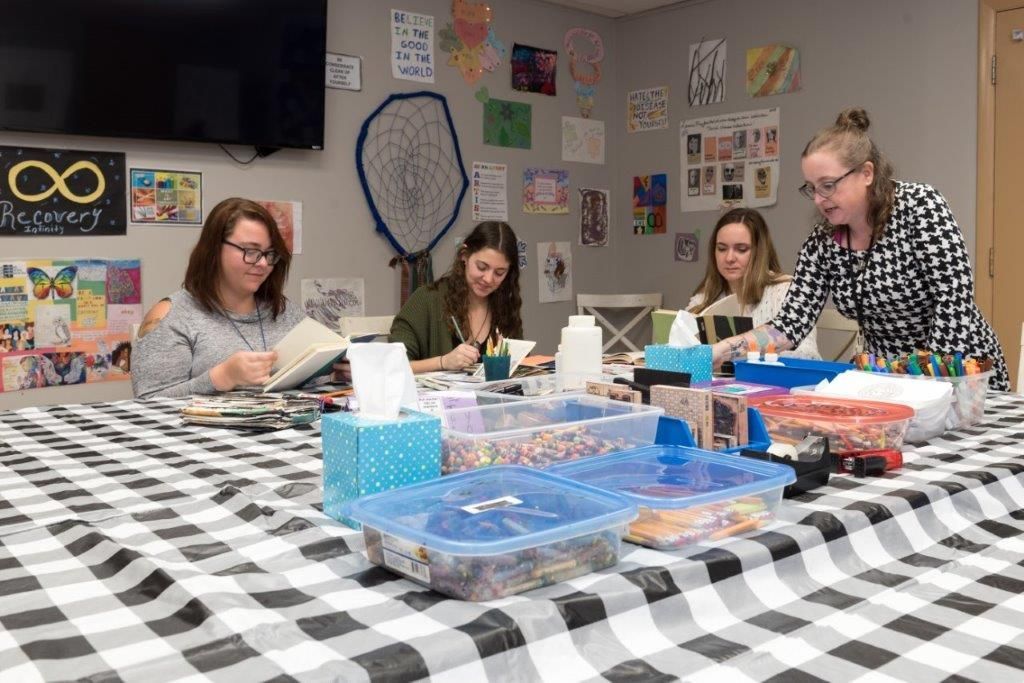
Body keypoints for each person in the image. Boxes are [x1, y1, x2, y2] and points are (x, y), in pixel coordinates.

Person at [711, 108, 1009, 390]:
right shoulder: (822, 243)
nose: (818, 198)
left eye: (828, 185)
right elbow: (788, 326)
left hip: (959, 375)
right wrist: (721, 350)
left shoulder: (920, 206)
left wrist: (928, 382)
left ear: (866, 173)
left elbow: (954, 300)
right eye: (811, 188)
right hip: (889, 380)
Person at [131, 197, 306, 398]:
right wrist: (220, 377)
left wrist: (338, 369)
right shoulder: (172, 316)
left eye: (269, 254)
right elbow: (148, 403)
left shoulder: (285, 311)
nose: (263, 263)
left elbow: (315, 382)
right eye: (250, 251)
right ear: (214, 249)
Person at [391, 221, 523, 373]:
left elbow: (521, 365)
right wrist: (443, 362)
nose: (488, 279)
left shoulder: (505, 305)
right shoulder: (427, 299)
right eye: (482, 267)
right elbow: (393, 367)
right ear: (464, 256)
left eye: (499, 273)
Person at [688, 208, 819, 359]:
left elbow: (808, 354)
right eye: (722, 249)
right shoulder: (704, 296)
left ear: (759, 252)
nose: (729, 258)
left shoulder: (787, 292)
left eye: (741, 249)